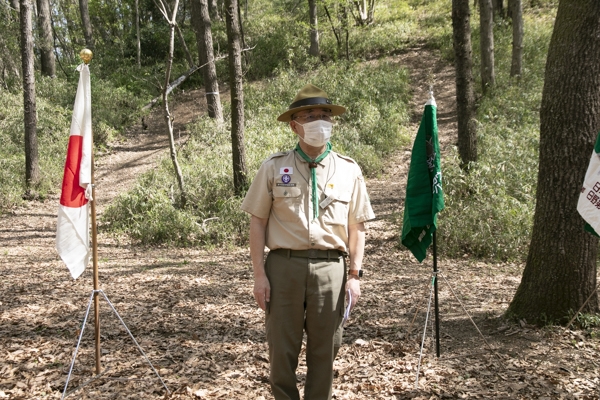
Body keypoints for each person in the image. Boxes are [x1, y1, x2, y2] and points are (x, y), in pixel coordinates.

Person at [241, 83, 375, 400]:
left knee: (325, 351)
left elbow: (358, 228)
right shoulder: (273, 167)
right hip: (283, 267)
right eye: (310, 115)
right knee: (281, 352)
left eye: (324, 115)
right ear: (294, 125)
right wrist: (259, 275)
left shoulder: (349, 170)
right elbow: (257, 222)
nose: (319, 121)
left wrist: (354, 277)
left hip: (332, 269)